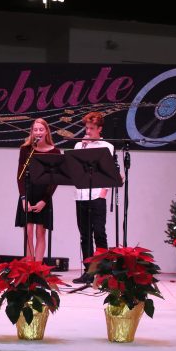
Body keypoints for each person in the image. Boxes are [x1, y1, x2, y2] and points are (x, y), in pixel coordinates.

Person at [72, 111, 114, 284]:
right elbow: (74, 170)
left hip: (97, 195)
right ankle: (89, 272)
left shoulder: (107, 147)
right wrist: (82, 146)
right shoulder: (78, 146)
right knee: (85, 235)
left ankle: (103, 272)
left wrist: (104, 192)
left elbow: (109, 172)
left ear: (99, 129)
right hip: (81, 195)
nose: (88, 132)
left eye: (91, 128)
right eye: (86, 128)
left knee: (99, 232)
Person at [15, 118, 61, 261]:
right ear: (32, 132)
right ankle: (29, 269)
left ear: (46, 131)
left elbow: (55, 180)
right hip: (28, 193)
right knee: (28, 231)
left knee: (40, 233)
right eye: (35, 130)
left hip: (43, 196)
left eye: (41, 129)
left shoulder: (55, 151)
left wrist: (44, 201)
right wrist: (23, 198)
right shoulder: (25, 149)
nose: (38, 132)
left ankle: (39, 268)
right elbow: (20, 176)